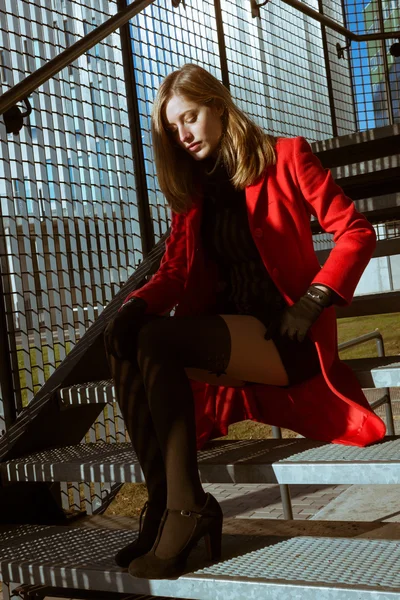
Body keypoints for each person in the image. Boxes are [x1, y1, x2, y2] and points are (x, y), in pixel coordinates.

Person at [104, 63, 385, 580]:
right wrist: (137, 304)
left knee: (156, 340)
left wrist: (313, 299)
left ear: (218, 106)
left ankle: (186, 512)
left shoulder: (286, 156)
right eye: (173, 128)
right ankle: (167, 506)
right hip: (228, 339)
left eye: (189, 117)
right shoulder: (194, 193)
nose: (183, 134)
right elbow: (173, 270)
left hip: (286, 338)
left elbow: (355, 231)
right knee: (127, 336)